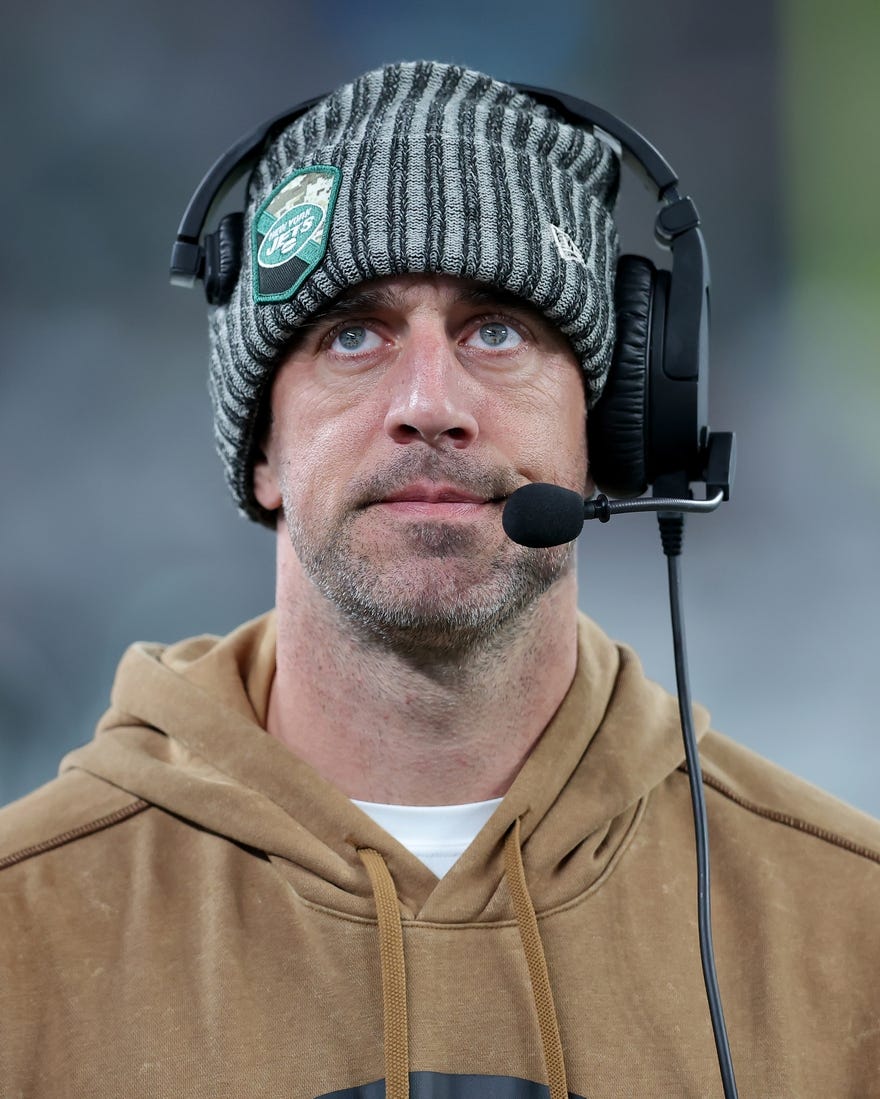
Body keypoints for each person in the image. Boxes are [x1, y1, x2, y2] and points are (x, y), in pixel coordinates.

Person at [1, 61, 878, 1099]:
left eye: (495, 330)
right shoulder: (26, 929)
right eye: (354, 335)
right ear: (263, 451)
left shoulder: (848, 932)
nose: (428, 402)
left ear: (606, 433)